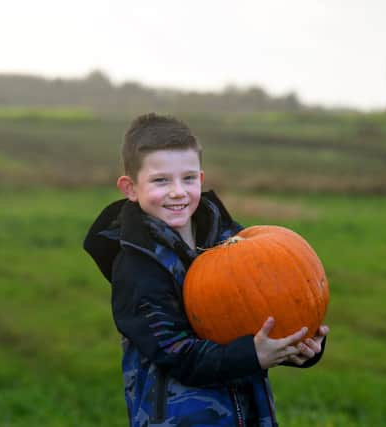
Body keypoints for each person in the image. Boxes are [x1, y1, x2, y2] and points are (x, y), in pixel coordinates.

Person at [83, 113, 328, 426]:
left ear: (200, 179)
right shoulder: (137, 264)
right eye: (161, 180)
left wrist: (300, 346)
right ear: (130, 188)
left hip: (249, 415)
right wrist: (251, 357)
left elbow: (266, 316)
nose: (177, 192)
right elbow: (175, 352)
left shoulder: (230, 238)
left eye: (187, 178)